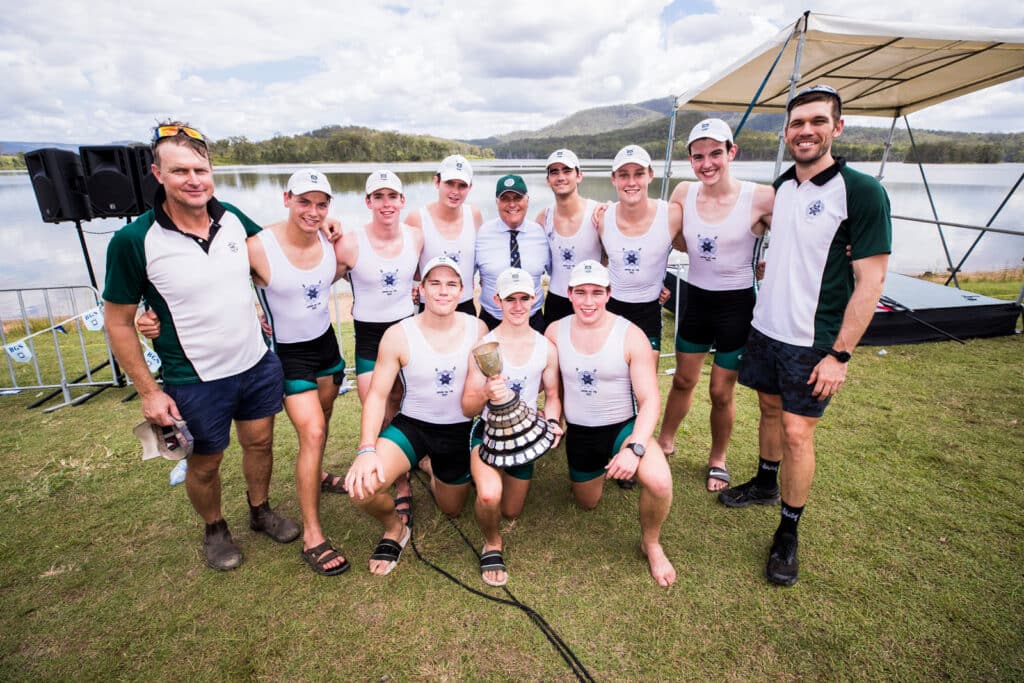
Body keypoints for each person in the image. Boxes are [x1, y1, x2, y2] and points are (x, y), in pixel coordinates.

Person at [103, 122, 299, 571]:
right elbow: (117, 322)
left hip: (255, 363)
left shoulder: (232, 217)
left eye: (200, 169)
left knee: (260, 443)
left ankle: (260, 510)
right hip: (195, 378)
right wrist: (150, 392)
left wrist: (320, 221)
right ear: (158, 174)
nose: (193, 180)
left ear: (212, 172)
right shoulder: (133, 241)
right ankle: (215, 528)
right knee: (206, 462)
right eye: (179, 171)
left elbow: (274, 243)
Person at [719, 85, 891, 586]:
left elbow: (872, 281)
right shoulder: (785, 186)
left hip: (813, 338)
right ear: (786, 132)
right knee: (769, 410)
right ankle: (765, 483)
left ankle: (788, 530)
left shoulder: (861, 191)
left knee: (798, 432)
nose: (806, 131)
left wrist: (840, 355)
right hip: (767, 326)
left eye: (818, 121)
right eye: (797, 123)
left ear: (837, 127)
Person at [344, 256, 487, 576]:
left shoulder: (477, 328)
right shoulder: (398, 334)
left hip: (458, 430)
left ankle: (429, 465)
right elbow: (377, 395)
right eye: (434, 283)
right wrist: (366, 449)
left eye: (451, 284)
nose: (443, 291)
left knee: (452, 508)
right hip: (413, 425)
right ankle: (395, 528)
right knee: (362, 488)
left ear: (463, 290)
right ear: (421, 289)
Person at [655, 119, 775, 492]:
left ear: (731, 152)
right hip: (697, 300)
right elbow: (668, 236)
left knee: (721, 392)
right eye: (698, 156)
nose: (707, 163)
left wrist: (770, 261)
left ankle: (718, 458)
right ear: (690, 159)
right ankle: (664, 443)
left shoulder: (760, 196)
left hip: (736, 306)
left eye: (715, 154)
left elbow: (798, 237)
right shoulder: (683, 192)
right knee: (682, 380)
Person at [544, 260, 676, 587]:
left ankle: (651, 542)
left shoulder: (631, 335)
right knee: (587, 503)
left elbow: (650, 401)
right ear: (569, 294)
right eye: (581, 293)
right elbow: (550, 389)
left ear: (608, 294)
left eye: (597, 292)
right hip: (581, 434)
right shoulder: (555, 332)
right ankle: (604, 470)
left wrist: (635, 447)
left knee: (659, 482)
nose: (588, 301)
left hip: (622, 429)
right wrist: (550, 419)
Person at [246, 169, 351, 575]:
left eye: (321, 204)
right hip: (289, 355)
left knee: (322, 420)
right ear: (286, 198)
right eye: (304, 201)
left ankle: (317, 473)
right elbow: (217, 284)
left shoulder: (329, 238)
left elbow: (342, 269)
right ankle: (313, 534)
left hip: (326, 346)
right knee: (314, 433)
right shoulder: (258, 246)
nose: (313, 211)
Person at [462, 267, 563, 586]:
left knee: (511, 511)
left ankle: (486, 476)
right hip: (488, 431)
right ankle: (492, 542)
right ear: (497, 300)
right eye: (510, 299)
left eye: (524, 298)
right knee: (489, 497)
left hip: (523, 434)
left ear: (535, 299)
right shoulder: (484, 347)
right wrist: (484, 393)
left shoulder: (546, 347)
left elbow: (553, 396)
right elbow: (467, 407)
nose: (518, 306)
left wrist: (551, 421)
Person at [334, 169, 423, 524]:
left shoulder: (416, 237)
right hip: (369, 337)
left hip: (404, 331)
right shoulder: (349, 242)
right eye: (378, 197)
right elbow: (317, 277)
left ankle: (407, 461)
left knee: (402, 402)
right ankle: (400, 484)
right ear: (368, 202)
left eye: (392, 197)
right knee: (376, 405)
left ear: (402, 201)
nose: (386, 204)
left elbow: (425, 275)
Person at [598, 144, 682, 353]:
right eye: (623, 175)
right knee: (613, 371)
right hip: (612, 310)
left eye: (639, 174)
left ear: (650, 175)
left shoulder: (671, 215)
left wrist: (753, 264)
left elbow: (698, 250)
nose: (631, 182)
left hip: (649, 311)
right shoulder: (602, 218)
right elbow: (602, 261)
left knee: (646, 374)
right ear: (614, 179)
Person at [406, 154, 483, 315]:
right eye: (449, 183)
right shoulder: (417, 219)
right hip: (429, 308)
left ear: (470, 187)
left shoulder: (474, 215)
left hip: (465, 305)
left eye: (462, 185)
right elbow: (405, 266)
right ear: (436, 182)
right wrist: (411, 288)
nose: (455, 191)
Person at [534, 149, 604, 327]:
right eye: (554, 172)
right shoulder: (543, 217)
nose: (561, 177)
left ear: (579, 176)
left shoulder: (598, 213)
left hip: (590, 302)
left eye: (567, 171)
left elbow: (616, 255)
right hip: (556, 301)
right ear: (548, 180)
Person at [476, 174, 550, 332]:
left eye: (517, 198)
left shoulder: (540, 232)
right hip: (492, 320)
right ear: (497, 202)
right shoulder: (482, 233)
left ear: (527, 200)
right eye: (505, 199)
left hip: (533, 320)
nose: (512, 204)